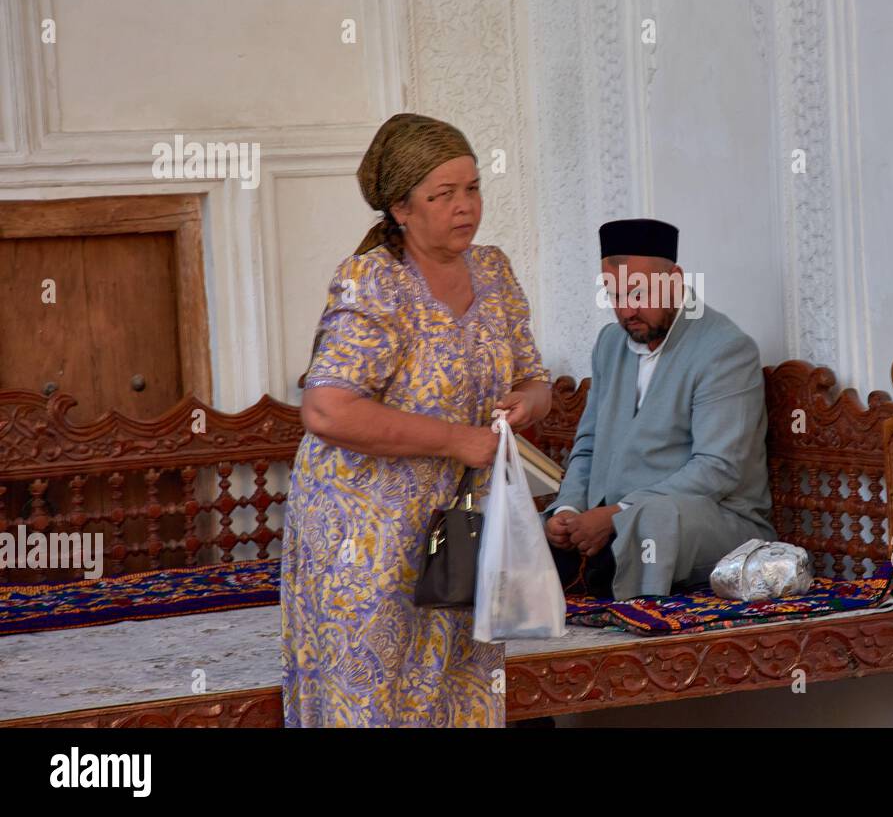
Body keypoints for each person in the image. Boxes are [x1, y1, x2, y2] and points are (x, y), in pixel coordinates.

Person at [280, 113, 552, 727]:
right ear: (402, 209)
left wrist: (527, 404)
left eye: (473, 188)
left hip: (459, 526)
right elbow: (327, 408)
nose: (466, 207)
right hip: (367, 530)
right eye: (444, 194)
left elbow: (536, 381)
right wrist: (458, 439)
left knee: (462, 685)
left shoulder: (495, 271)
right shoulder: (373, 282)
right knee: (374, 692)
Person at [541, 218, 775, 600]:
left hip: (712, 522)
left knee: (653, 521)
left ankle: (622, 598)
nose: (626, 311)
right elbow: (587, 447)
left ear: (676, 280)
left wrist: (618, 514)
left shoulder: (725, 349)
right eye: (614, 295)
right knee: (528, 531)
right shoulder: (610, 343)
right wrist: (568, 509)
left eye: (637, 292)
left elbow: (718, 469)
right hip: (613, 518)